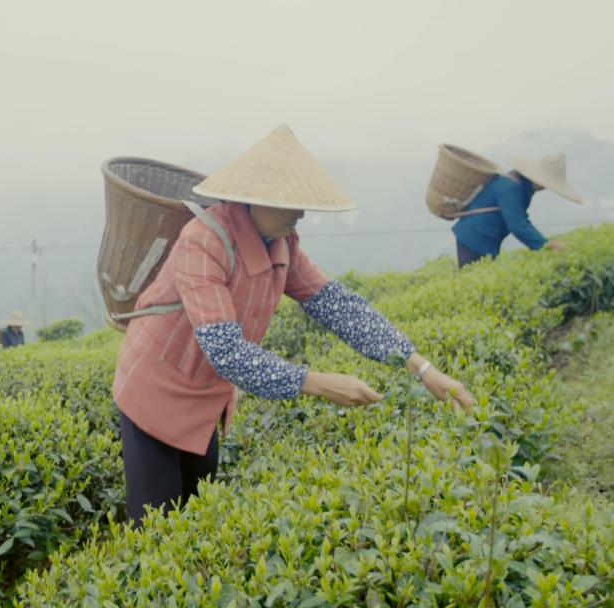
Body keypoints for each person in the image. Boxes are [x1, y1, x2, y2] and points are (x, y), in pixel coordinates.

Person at [112, 125, 475, 525]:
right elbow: (227, 351)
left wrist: (422, 368)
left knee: (195, 510)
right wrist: (319, 383)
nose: (299, 214)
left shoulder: (284, 243)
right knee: (154, 521)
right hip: (156, 386)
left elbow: (338, 306)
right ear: (254, 200)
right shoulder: (203, 241)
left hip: (205, 392)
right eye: (289, 204)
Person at [452, 153, 584, 268]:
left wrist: (543, 242)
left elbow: (521, 218)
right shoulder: (511, 187)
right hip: (474, 238)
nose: (545, 187)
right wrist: (545, 245)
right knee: (476, 281)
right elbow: (518, 225)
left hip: (486, 238)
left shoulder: (522, 185)